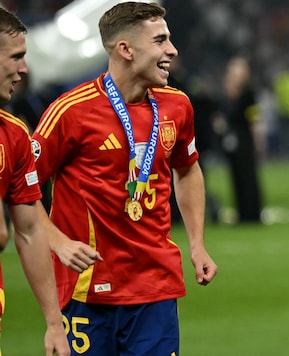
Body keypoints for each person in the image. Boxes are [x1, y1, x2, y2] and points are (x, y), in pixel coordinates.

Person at [31, 2, 218, 355]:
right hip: (87, 289)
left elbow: (188, 168)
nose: (172, 50)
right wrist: (57, 242)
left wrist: (196, 243)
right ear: (126, 49)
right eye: (160, 40)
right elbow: (20, 189)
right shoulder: (70, 111)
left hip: (156, 287)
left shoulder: (177, 106)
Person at [0, 8, 71, 355]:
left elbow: (28, 230)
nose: (24, 69)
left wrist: (55, 324)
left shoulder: (14, 136)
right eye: (16, 57)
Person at [211, 56, 263, 223]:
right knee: (236, 177)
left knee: (248, 177)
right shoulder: (228, 95)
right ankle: (241, 212)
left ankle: (251, 214)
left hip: (244, 140)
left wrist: (257, 141)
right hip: (231, 141)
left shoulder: (248, 94)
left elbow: (254, 119)